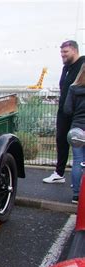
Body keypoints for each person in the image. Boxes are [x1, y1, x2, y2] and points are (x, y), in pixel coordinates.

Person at [43, 40, 85, 183]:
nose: (62, 55)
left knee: (78, 147)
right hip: (63, 111)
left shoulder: (83, 63)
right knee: (61, 140)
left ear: (74, 50)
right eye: (61, 52)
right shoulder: (65, 68)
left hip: (78, 112)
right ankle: (59, 173)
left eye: (65, 52)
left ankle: (79, 180)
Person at [64, 63, 85, 203]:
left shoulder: (73, 88)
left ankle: (76, 194)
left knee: (77, 161)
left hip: (76, 130)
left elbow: (67, 110)